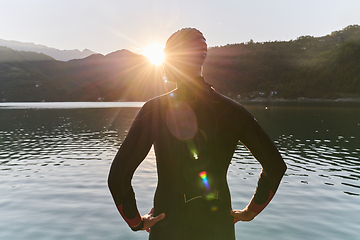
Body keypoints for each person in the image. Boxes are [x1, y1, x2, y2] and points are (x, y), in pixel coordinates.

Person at [108, 28, 287, 240]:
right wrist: (250, 212)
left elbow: (118, 178)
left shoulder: (154, 110)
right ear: (201, 59)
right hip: (218, 226)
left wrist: (137, 222)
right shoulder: (233, 111)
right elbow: (275, 166)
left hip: (169, 227)